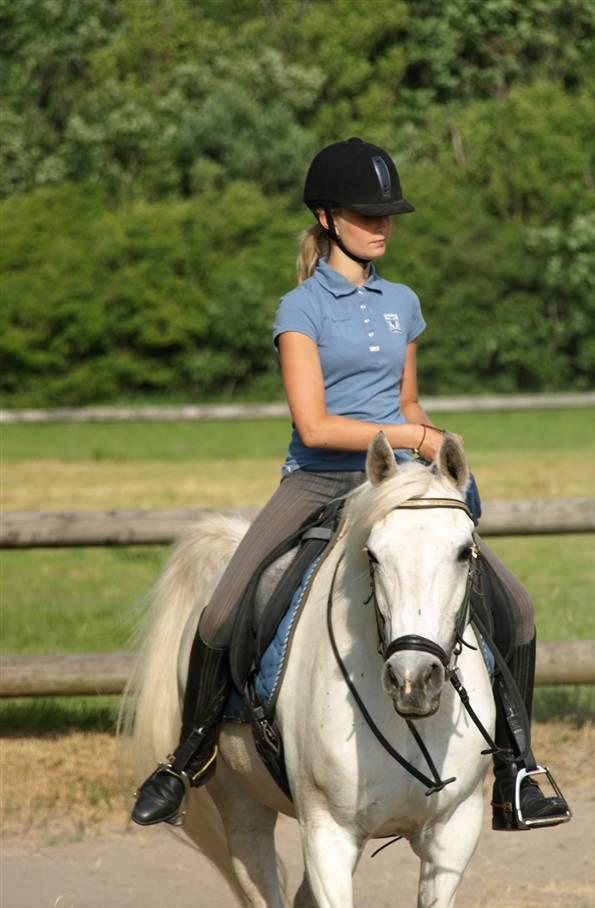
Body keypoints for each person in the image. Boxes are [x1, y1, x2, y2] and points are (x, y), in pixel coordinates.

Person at [131, 137, 570, 831]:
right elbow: (316, 423)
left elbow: (409, 402)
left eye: (389, 214)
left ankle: (517, 768)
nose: (383, 225)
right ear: (329, 218)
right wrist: (414, 439)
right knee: (219, 615)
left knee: (515, 607)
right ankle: (186, 759)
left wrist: (443, 456)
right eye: (369, 214)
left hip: (400, 483)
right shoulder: (299, 310)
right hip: (317, 479)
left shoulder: (403, 302)